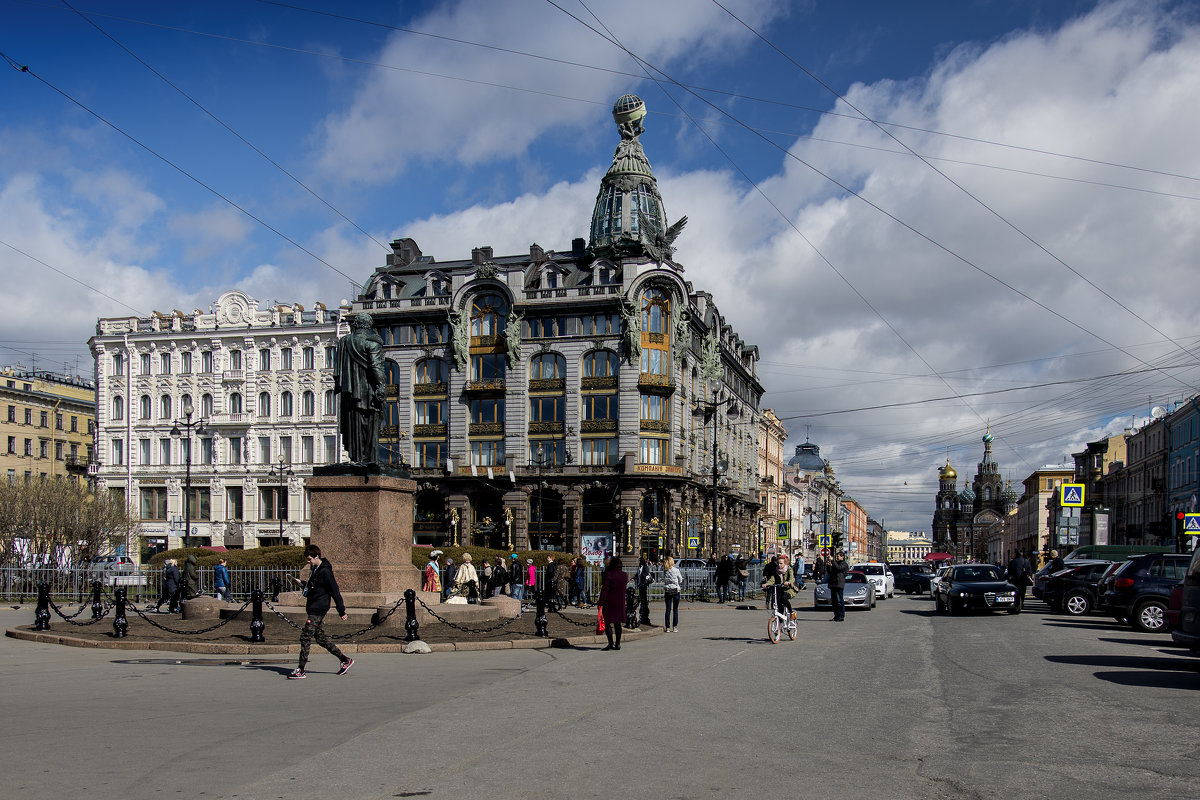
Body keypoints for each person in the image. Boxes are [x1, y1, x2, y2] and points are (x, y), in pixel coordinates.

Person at [287, 544, 353, 679]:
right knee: (321, 639)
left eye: (309, 559)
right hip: (313, 606)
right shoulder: (315, 568)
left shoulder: (325, 571)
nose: (308, 561)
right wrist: (301, 583)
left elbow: (335, 591)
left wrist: (341, 611)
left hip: (318, 609)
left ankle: (301, 669)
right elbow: (314, 587)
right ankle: (345, 660)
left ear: (316, 556)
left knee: (305, 637)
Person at [332, 312, 386, 464]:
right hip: (369, 392)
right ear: (369, 326)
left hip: (349, 392)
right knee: (370, 426)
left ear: (355, 325)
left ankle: (356, 458)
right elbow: (376, 367)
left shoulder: (344, 342)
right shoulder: (371, 344)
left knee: (353, 425)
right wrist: (381, 385)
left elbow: (338, 369)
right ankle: (369, 459)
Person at [598, 555, 629, 651]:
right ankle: (618, 643)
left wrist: (601, 602)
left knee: (607, 622)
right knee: (617, 623)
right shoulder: (624, 575)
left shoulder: (609, 574)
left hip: (610, 601)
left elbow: (605, 589)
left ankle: (611, 643)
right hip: (620, 602)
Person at [760, 554, 796, 621]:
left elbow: (792, 578)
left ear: (784, 563)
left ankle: (791, 612)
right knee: (778, 604)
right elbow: (772, 580)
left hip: (788, 589)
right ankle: (780, 624)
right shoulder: (776, 571)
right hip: (779, 589)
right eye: (778, 563)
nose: (779, 565)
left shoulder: (789, 569)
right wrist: (766, 584)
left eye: (781, 563)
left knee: (784, 599)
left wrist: (789, 582)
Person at [661, 555, 683, 632]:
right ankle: (675, 627)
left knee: (668, 609)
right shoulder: (676, 570)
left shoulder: (665, 570)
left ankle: (667, 627)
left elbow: (663, 579)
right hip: (676, 590)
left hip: (668, 590)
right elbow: (680, 580)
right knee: (675, 610)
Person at [827, 549, 850, 622]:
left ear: (842, 557)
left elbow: (838, 568)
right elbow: (830, 572)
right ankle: (836, 616)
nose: (837, 557)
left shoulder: (844, 564)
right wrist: (828, 565)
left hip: (839, 584)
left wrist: (833, 562)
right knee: (834, 602)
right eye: (836, 556)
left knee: (839, 601)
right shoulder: (835, 563)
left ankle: (841, 616)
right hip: (833, 584)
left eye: (838, 556)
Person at [635, 557, 653, 624]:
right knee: (641, 598)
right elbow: (637, 574)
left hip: (643, 584)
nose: (638, 562)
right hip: (640, 584)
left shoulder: (645, 567)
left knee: (643, 599)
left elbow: (647, 574)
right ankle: (642, 612)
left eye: (639, 561)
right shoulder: (639, 567)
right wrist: (634, 577)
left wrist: (642, 576)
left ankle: (643, 612)